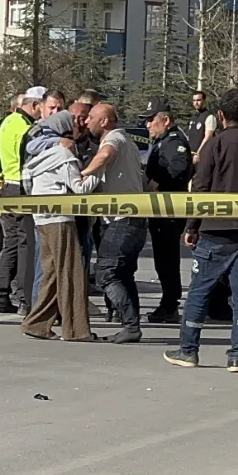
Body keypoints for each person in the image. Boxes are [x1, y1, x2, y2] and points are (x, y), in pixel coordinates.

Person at [163, 89, 238, 372]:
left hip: (216, 231)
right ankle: (237, 356)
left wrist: (192, 226)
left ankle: (189, 350)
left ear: (220, 115)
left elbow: (200, 189)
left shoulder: (214, 146)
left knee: (200, 291)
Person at [19, 110, 100, 342]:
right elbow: (79, 188)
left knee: (52, 274)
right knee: (71, 273)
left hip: (41, 220)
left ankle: (36, 324)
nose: (78, 125)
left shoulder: (38, 157)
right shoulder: (64, 155)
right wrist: (99, 170)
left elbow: (28, 185)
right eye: (73, 123)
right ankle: (76, 330)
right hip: (61, 221)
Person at [81, 104, 148, 344]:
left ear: (105, 121)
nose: (86, 121)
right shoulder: (128, 142)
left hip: (122, 219)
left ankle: (130, 324)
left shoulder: (114, 139)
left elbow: (105, 156)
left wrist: (82, 174)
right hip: (134, 218)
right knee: (124, 275)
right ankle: (131, 326)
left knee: (106, 274)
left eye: (91, 117)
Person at [0, 85, 43, 314]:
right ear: (35, 105)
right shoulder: (28, 128)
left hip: (6, 186)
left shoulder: (7, 122)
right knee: (25, 244)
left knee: (11, 241)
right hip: (21, 187)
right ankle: (23, 298)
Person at [140, 97, 193, 324]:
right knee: (162, 258)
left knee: (167, 258)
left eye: (151, 120)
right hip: (160, 207)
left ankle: (170, 304)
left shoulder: (174, 141)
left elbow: (180, 168)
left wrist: (159, 181)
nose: (148, 125)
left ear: (166, 120)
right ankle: (168, 302)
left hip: (169, 208)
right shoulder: (163, 141)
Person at [188, 90, 218, 161]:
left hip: (202, 156)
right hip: (191, 155)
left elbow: (208, 137)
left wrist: (198, 153)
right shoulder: (193, 117)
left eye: (198, 100)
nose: (196, 103)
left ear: (204, 101)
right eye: (194, 100)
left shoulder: (209, 117)